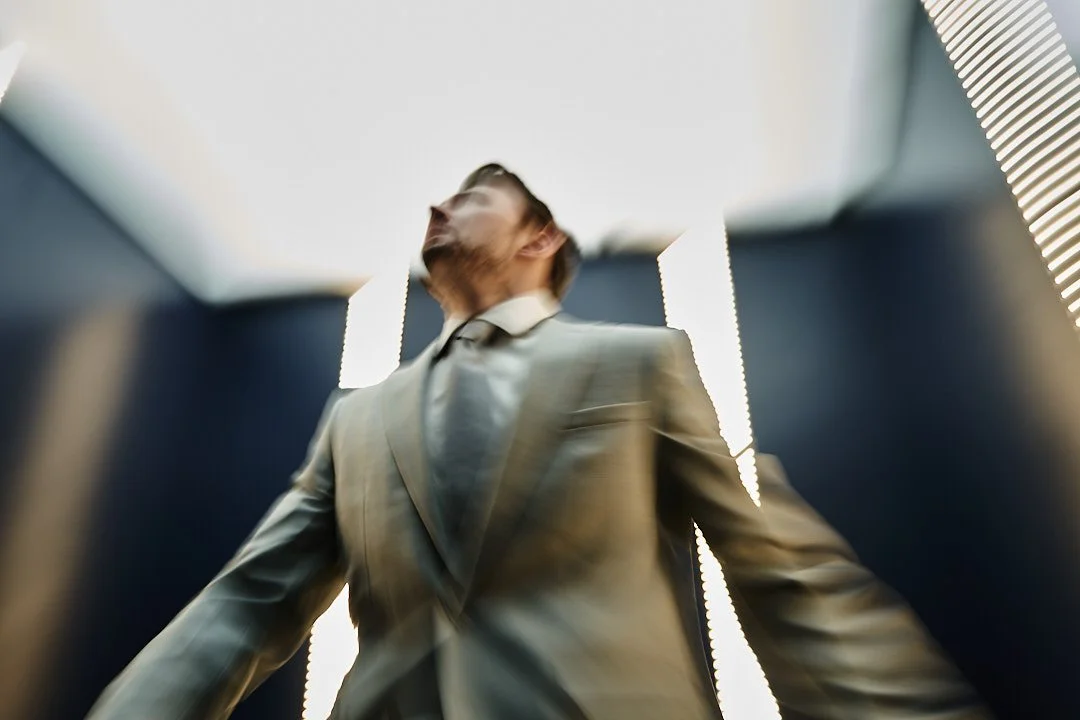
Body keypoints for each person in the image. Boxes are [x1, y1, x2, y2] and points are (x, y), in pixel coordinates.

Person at [89, 164, 990, 719]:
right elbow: (246, 605)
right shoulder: (354, 416)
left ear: (541, 236)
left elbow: (773, 569)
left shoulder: (644, 363)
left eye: (475, 196)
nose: (439, 205)